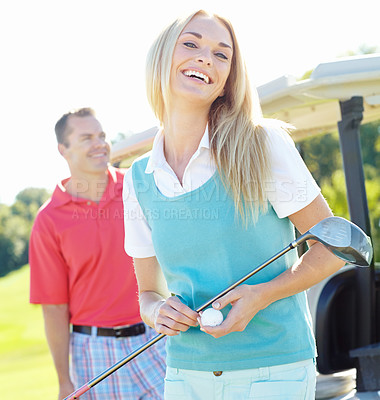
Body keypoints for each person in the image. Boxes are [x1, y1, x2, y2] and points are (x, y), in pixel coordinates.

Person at [122, 10, 346, 400]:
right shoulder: (138, 180)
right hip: (184, 376)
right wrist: (158, 312)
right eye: (191, 44)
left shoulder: (263, 145)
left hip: (274, 371)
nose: (205, 58)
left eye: (221, 54)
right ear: (161, 58)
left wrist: (263, 295)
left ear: (227, 81)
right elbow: (147, 295)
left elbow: (331, 250)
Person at [29, 108, 166, 400]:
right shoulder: (49, 220)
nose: (99, 144)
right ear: (63, 149)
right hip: (95, 352)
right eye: (87, 138)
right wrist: (64, 381)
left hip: (156, 332)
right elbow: (53, 307)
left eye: (102, 136)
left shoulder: (138, 186)